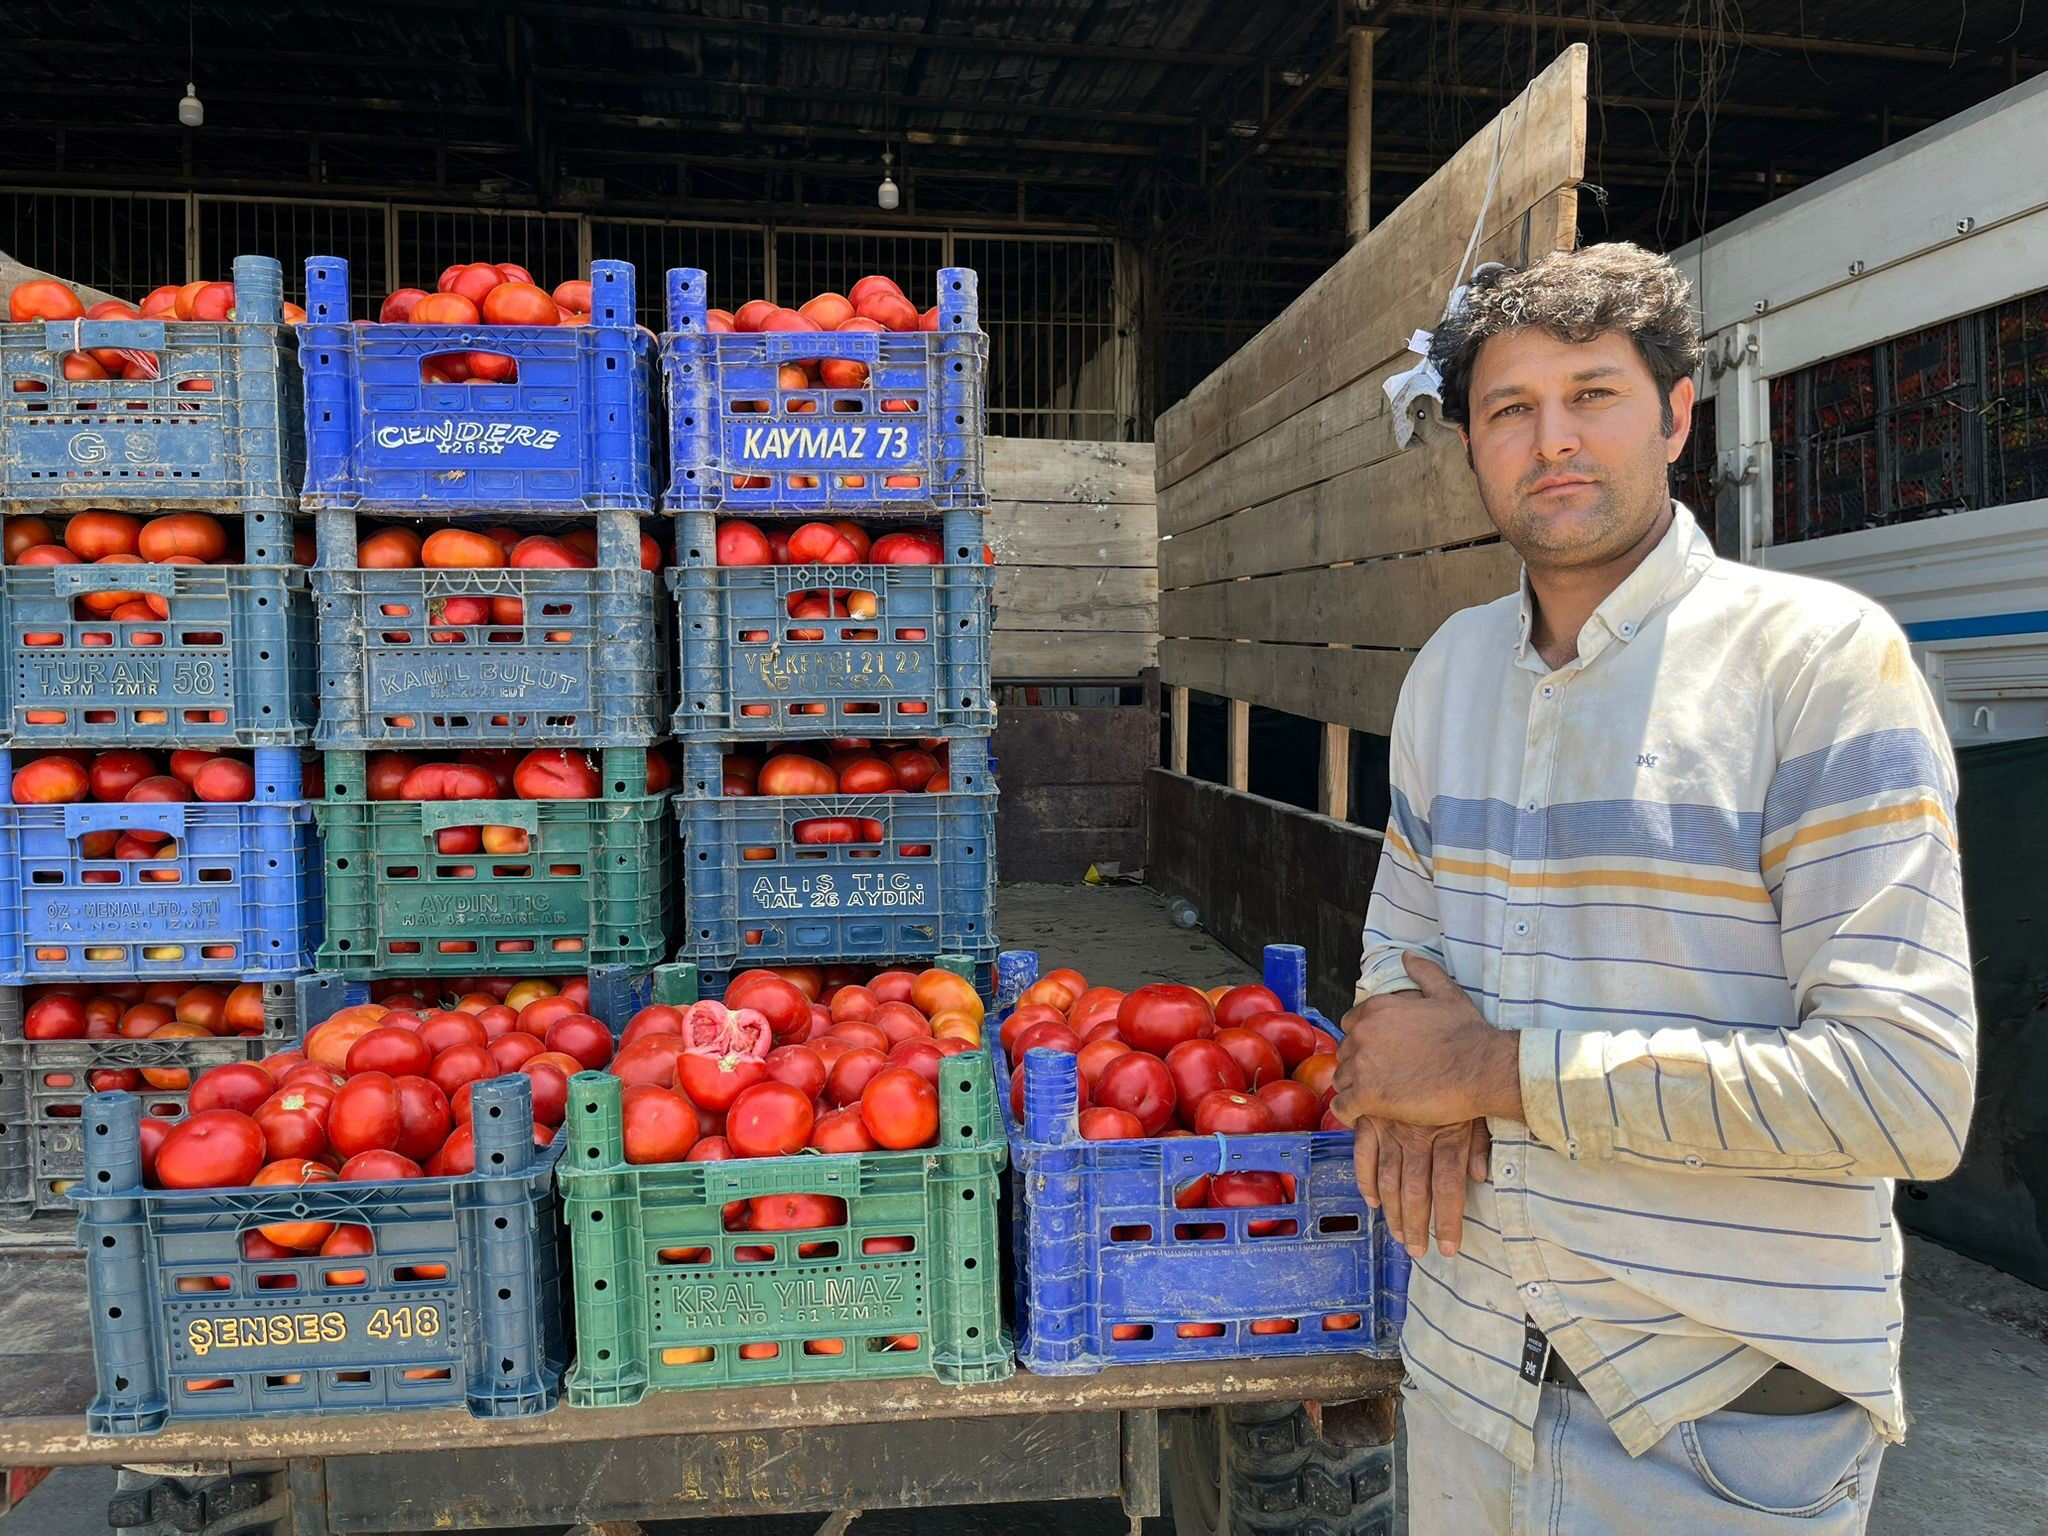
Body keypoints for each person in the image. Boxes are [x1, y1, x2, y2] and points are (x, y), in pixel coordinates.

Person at [1331, 242, 1975, 1533]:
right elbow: (1396, 1002)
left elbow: (1908, 1093)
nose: (1552, 439)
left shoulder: (1819, 661)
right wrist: (1426, 1073)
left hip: (1712, 1416)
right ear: (1472, 446)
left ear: (1679, 414)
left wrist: (1496, 1074)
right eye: (1511, 410)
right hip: (1466, 1379)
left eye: (1595, 396)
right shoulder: (1451, 672)